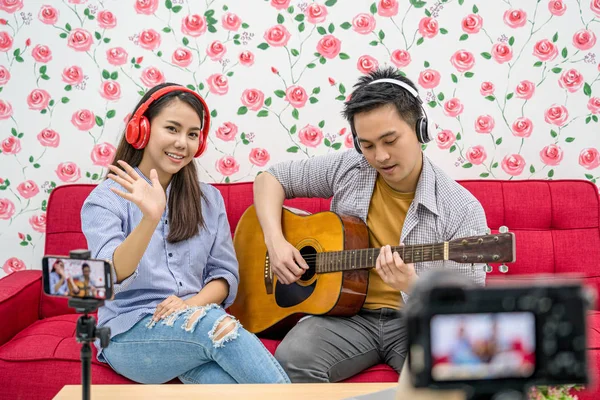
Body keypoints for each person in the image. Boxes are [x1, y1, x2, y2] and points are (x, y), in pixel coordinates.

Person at [252, 67, 488, 382]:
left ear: (421, 129)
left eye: (390, 140)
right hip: (346, 316)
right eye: (367, 144)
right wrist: (276, 243)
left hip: (415, 319)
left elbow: (466, 312)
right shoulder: (350, 167)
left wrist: (412, 286)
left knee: (452, 370)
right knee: (292, 358)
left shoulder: (462, 209)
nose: (381, 156)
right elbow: (270, 178)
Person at [81, 83, 289, 385]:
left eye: (192, 134)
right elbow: (107, 277)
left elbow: (223, 275)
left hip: (192, 324)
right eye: (172, 129)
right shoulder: (106, 199)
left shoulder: (209, 200)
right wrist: (150, 219)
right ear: (141, 129)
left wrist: (189, 306)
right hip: (129, 334)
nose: (182, 143)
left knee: (223, 383)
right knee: (218, 325)